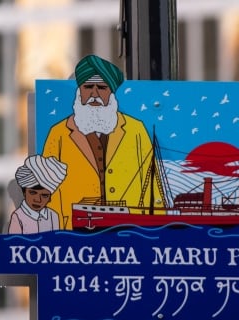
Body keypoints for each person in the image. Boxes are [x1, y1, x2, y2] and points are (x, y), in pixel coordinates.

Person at [42, 54, 164, 230]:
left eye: (102, 87)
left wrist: (155, 232)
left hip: (128, 231)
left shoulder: (135, 129)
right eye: (88, 87)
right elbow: (46, 189)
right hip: (73, 233)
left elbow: (152, 183)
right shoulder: (58, 133)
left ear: (112, 93)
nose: (94, 94)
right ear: (79, 91)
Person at [8, 155, 68, 234]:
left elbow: (56, 242)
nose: (38, 199)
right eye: (33, 193)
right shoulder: (18, 216)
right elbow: (13, 244)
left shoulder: (53, 216)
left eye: (44, 195)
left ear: (50, 197)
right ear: (24, 192)